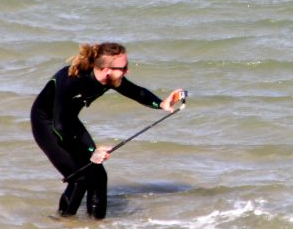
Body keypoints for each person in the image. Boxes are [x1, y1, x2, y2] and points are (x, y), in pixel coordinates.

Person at [31, 42, 183, 219]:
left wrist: (161, 104)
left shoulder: (109, 79)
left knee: (98, 175)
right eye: (124, 68)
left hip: (68, 121)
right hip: (47, 124)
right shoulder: (71, 81)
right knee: (80, 176)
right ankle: (64, 223)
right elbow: (60, 127)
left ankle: (96, 226)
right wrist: (91, 151)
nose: (127, 72)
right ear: (106, 69)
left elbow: (135, 91)